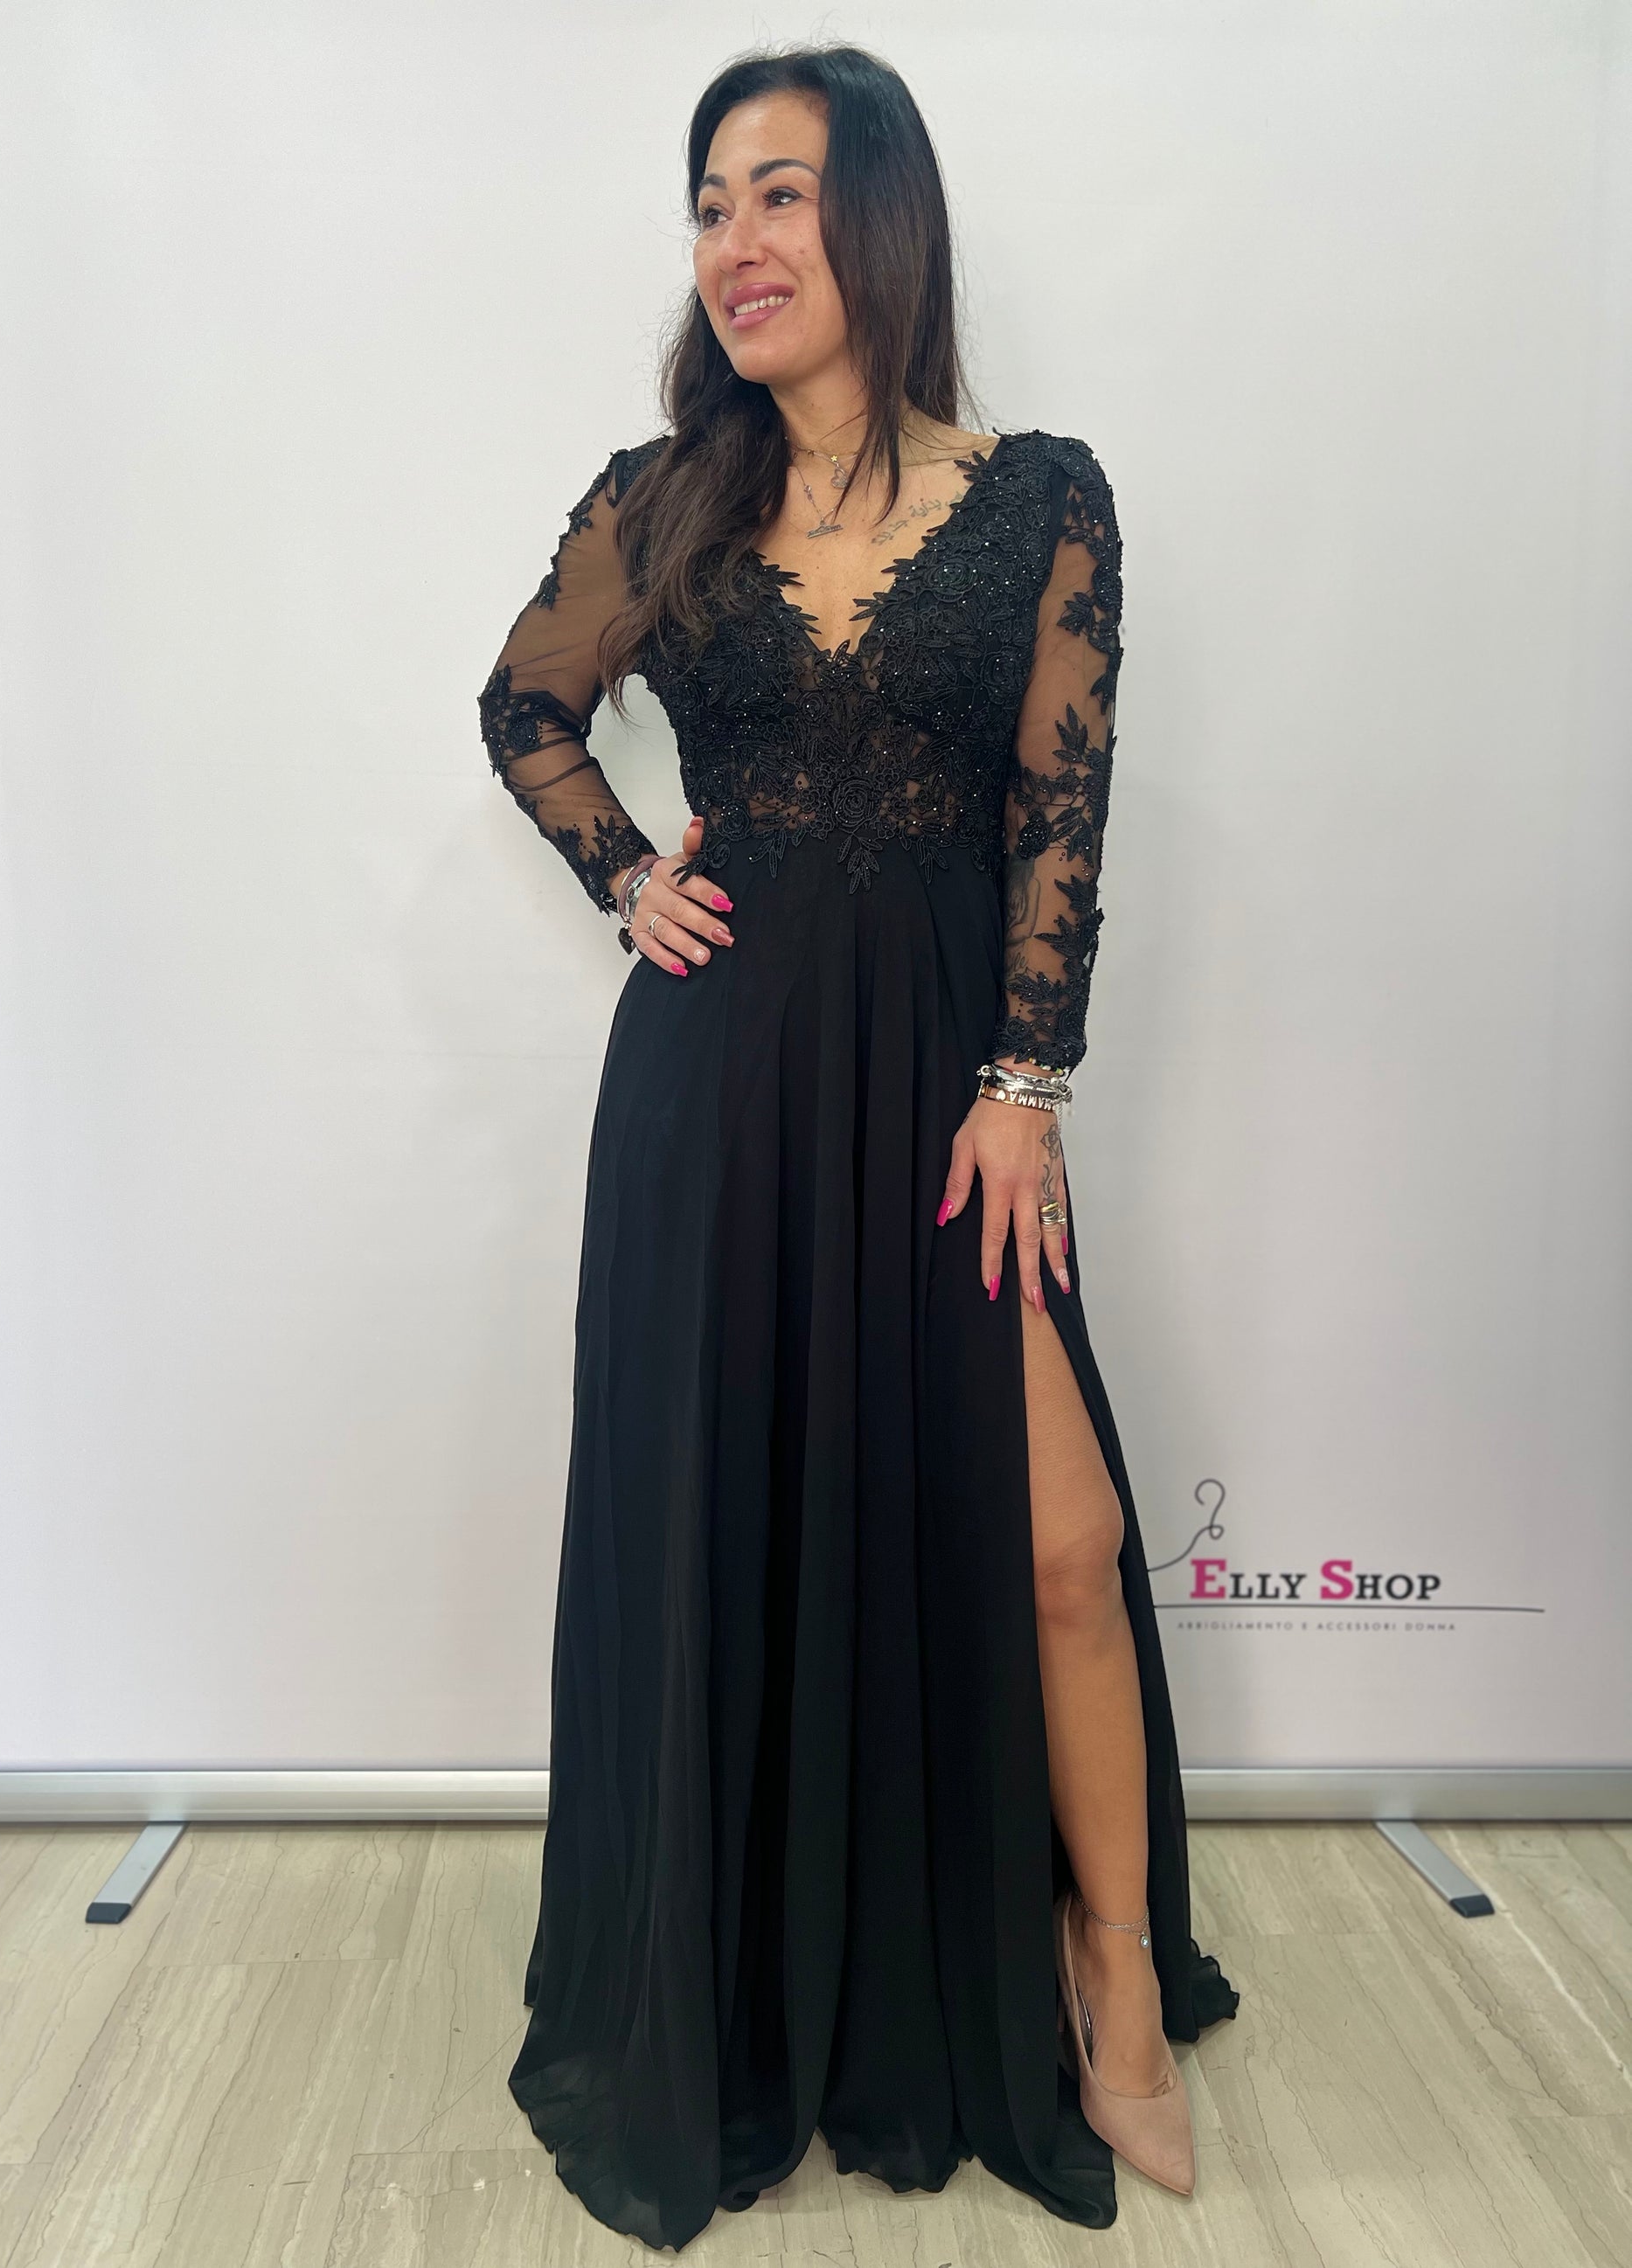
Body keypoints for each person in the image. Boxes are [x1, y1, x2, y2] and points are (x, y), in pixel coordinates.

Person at [478, 40, 1239, 2252]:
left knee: (1061, 1541)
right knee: (737, 1539)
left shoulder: (1041, 495)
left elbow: (1060, 813)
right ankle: (752, 1989)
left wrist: (1027, 1081)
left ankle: (1107, 1966)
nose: (734, 240)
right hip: (715, 1103)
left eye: (780, 192)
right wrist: (627, 872)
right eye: (709, 202)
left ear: (880, 216)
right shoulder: (661, 499)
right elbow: (524, 704)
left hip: (949, 1096)